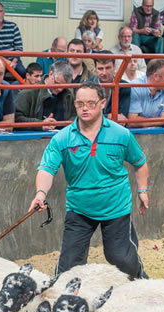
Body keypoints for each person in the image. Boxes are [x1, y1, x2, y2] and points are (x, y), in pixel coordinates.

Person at [29, 81, 149, 278]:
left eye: (91, 103)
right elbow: (47, 169)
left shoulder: (121, 134)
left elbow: (140, 163)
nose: (85, 108)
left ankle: (140, 278)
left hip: (116, 206)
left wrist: (142, 190)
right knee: (69, 265)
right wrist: (40, 194)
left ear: (102, 103)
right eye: (80, 104)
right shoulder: (62, 138)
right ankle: (63, 292)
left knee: (120, 257)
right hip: (79, 208)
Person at [15, 60, 75, 131]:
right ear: (51, 74)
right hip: (35, 137)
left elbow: (75, 116)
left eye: (64, 86)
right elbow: (17, 118)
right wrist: (40, 124)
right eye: (57, 83)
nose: (60, 89)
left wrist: (67, 126)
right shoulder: (27, 93)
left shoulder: (69, 94)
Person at [128, 58, 164, 127]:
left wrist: (162, 120)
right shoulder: (135, 87)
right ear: (156, 76)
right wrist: (160, 120)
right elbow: (132, 121)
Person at [88, 52, 131, 121]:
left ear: (114, 67)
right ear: (95, 68)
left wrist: (106, 117)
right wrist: (108, 116)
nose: (104, 73)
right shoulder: (87, 87)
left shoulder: (124, 86)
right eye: (100, 69)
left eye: (108, 68)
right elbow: (87, 114)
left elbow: (122, 117)